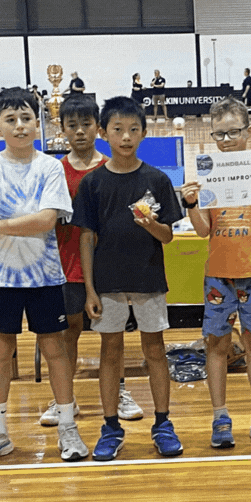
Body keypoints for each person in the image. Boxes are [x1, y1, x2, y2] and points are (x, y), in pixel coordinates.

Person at [0, 87, 88, 466]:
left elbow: (47, 220)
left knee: (55, 350)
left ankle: (67, 426)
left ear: (38, 123)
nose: (19, 126)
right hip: (0, 278)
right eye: (11, 120)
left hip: (44, 276)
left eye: (26, 118)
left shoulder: (49, 167)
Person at [73, 97, 184, 461]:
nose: (126, 137)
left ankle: (163, 423)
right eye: (118, 130)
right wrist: (89, 288)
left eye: (134, 130)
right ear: (103, 133)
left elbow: (167, 236)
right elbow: (86, 237)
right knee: (111, 352)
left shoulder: (157, 179)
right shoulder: (92, 183)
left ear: (145, 133)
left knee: (155, 351)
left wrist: (152, 225)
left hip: (149, 279)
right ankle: (110, 427)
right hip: (107, 282)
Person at [178, 97, 251, 449]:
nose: (227, 140)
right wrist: (192, 204)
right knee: (217, 346)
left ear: (249, 132)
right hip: (218, 275)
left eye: (233, 133)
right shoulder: (209, 174)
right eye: (220, 134)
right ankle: (220, 417)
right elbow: (201, 230)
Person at [44, 94, 144, 428]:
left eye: (86, 124)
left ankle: (119, 391)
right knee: (67, 332)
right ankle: (64, 399)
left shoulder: (110, 167)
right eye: (72, 126)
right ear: (62, 130)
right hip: (66, 264)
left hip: (108, 264)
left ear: (98, 128)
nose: (80, 132)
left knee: (112, 334)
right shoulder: (54, 171)